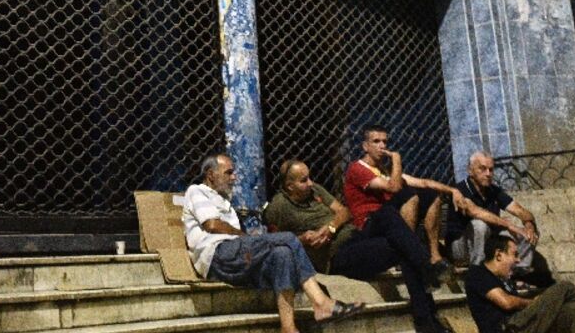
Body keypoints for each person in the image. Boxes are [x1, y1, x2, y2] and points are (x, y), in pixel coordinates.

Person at [183, 153, 364, 333]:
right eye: (228, 172)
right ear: (210, 175)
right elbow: (212, 224)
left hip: (235, 257)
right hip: (216, 255)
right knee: (288, 238)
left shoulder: (224, 201)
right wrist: (246, 237)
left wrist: (246, 241)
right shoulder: (197, 191)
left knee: (282, 255)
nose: (234, 177)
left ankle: (288, 327)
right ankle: (321, 302)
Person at [266, 158, 446, 333]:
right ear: (290, 186)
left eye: (310, 177)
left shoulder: (316, 191)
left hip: (354, 236)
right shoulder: (278, 207)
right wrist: (303, 239)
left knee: (388, 214)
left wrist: (330, 228)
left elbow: (345, 211)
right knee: (402, 246)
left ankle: (427, 273)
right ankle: (426, 306)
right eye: (304, 180)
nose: (311, 182)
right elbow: (274, 241)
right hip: (337, 256)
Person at [343, 124, 457, 282]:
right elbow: (394, 187)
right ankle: (406, 254)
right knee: (408, 195)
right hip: (370, 223)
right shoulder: (357, 169)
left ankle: (434, 254)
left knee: (431, 195)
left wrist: (453, 191)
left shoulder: (385, 170)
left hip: (391, 220)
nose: (382, 146)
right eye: (376, 141)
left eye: (384, 141)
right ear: (365, 146)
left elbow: (423, 183)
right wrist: (397, 160)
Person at [465, 234, 575, 333]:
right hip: (507, 328)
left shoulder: (505, 280)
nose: (518, 260)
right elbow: (506, 302)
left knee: (574, 310)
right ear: (498, 255)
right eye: (514, 255)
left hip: (522, 324)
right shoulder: (477, 274)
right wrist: (537, 302)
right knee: (565, 287)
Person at [446, 150, 553, 287]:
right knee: (479, 225)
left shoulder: (493, 190)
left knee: (525, 233)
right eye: (483, 169)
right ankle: (477, 274)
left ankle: (517, 274)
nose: (488, 174)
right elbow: (477, 212)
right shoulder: (460, 190)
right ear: (470, 171)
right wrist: (510, 226)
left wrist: (528, 225)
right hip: (460, 248)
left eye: (491, 169)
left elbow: (521, 211)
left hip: (487, 243)